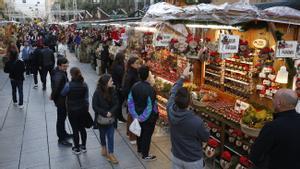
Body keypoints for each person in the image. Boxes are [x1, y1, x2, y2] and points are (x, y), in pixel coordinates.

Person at [167, 64, 209, 169]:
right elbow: (205, 137)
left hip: (176, 155)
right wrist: (207, 129)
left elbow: (173, 91)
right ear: (189, 102)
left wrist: (182, 77)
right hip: (193, 159)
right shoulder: (196, 121)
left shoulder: (170, 109)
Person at [249, 89, 300, 169]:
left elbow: (255, 155)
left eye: (274, 98)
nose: (273, 101)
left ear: (279, 103)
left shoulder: (272, 126)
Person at [128, 65, 159, 161]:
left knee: (139, 133)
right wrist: (143, 117)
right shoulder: (150, 89)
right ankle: (145, 154)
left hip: (137, 114)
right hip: (148, 118)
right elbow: (150, 106)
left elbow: (130, 101)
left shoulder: (134, 86)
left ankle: (140, 149)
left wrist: (135, 115)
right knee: (147, 135)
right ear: (147, 76)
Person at [61, 67, 89, 155]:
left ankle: (76, 148)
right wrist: (86, 108)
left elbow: (63, 93)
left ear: (71, 74)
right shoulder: (84, 84)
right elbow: (86, 98)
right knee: (82, 128)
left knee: (75, 129)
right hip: (82, 109)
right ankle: (83, 146)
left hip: (72, 110)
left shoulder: (68, 85)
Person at [92, 74, 119, 164]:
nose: (112, 82)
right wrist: (104, 113)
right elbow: (94, 106)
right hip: (101, 119)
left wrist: (111, 112)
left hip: (110, 119)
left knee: (111, 136)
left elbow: (116, 103)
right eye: (111, 81)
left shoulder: (113, 90)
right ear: (105, 83)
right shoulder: (97, 93)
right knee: (102, 134)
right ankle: (103, 146)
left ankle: (111, 153)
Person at [50, 57, 72, 146]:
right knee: (61, 119)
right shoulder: (59, 75)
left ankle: (64, 134)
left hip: (61, 99)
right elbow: (56, 88)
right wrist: (53, 96)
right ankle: (61, 138)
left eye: (67, 66)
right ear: (59, 65)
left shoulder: (60, 71)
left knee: (62, 118)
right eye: (64, 66)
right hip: (61, 100)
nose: (66, 68)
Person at [122, 57, 141, 144]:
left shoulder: (131, 72)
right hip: (133, 99)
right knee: (133, 117)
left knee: (130, 116)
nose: (138, 65)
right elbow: (127, 88)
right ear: (132, 64)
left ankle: (128, 132)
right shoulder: (131, 74)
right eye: (137, 63)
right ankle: (132, 137)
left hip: (131, 98)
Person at [111, 52, 126, 123]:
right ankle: (119, 117)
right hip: (119, 87)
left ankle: (118, 116)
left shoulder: (114, 64)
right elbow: (121, 78)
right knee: (119, 103)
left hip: (116, 86)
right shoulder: (119, 67)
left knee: (119, 102)